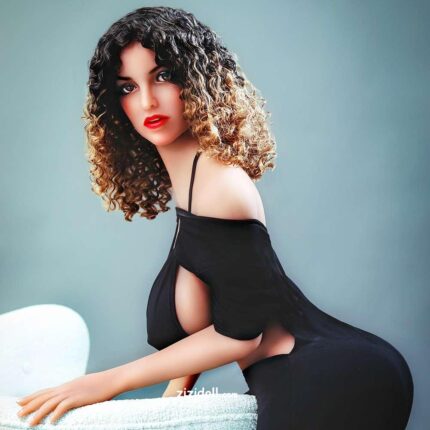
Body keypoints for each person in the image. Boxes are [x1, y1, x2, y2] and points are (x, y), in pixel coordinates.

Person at [16, 6, 414, 429]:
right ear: (114, 105)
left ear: (197, 81)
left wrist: (104, 383)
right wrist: (165, 413)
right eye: (128, 87)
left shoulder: (220, 186)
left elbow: (241, 334)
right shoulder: (192, 186)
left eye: (163, 76)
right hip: (297, 377)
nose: (147, 100)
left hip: (331, 378)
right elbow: (205, 327)